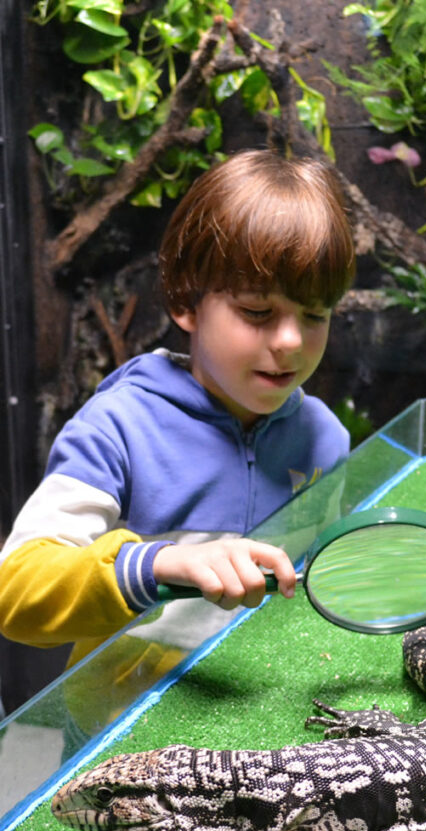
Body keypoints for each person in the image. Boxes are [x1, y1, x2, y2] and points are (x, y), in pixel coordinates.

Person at [0, 150, 356, 655]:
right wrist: (157, 564)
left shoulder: (324, 436)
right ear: (186, 302)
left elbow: (322, 579)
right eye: (257, 311)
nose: (291, 341)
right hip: (127, 719)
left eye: (316, 314)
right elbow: (16, 595)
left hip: (264, 715)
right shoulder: (117, 428)